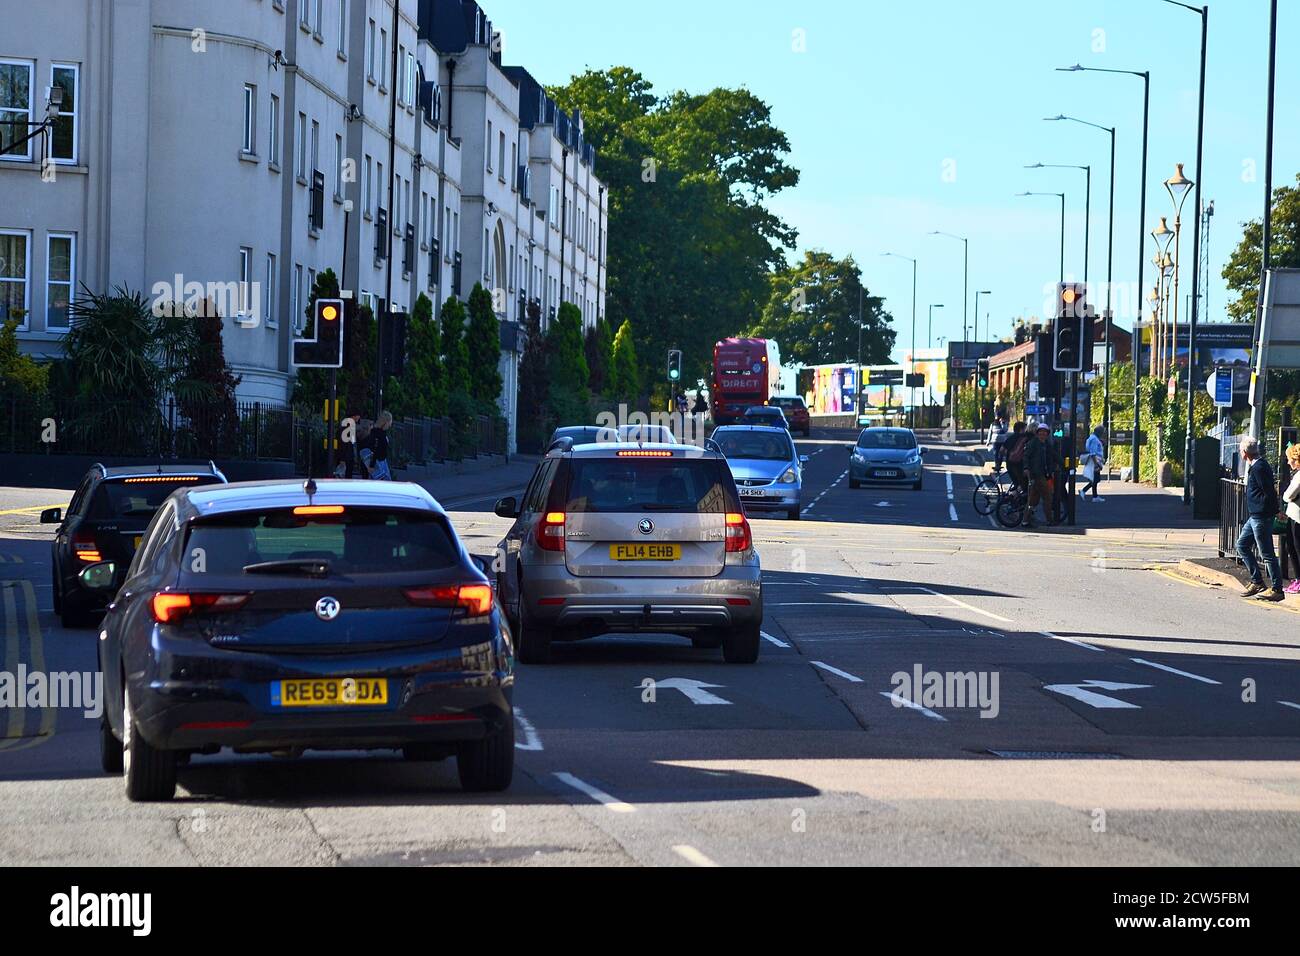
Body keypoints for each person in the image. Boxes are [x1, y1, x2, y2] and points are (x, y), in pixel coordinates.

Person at [1236, 437, 1285, 602]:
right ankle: (1257, 581)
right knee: (1241, 545)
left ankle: (1277, 589)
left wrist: (1276, 510)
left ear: (1245, 453)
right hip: (1255, 516)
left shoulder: (1259, 467)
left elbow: (1269, 491)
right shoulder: (1256, 465)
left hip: (1261, 516)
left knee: (1267, 554)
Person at [1022, 423, 1053, 528]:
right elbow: (1026, 456)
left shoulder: (1046, 444)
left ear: (1047, 434)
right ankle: (1050, 520)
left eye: (1045, 432)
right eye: (1040, 432)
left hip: (1042, 474)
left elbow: (1052, 456)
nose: (1042, 434)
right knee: (1047, 497)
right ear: (1037, 433)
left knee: (1033, 500)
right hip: (1036, 474)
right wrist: (1026, 468)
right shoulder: (1033, 443)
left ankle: (1025, 520)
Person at [1282, 444, 1300, 594]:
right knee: (1292, 548)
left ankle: (1299, 581)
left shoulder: (1299, 476)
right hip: (1294, 516)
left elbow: (1288, 495)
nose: (1288, 462)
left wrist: (1286, 496)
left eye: (1290, 459)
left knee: (1295, 548)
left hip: (1297, 517)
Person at [1080, 425, 1106, 502]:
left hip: (1094, 460)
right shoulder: (1094, 440)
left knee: (1095, 478)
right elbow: (1093, 452)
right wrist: (1096, 463)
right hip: (1095, 460)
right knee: (1096, 479)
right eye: (1102, 432)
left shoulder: (1091, 438)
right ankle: (1085, 491)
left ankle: (1094, 496)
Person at [368, 410, 393, 480]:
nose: (390, 425)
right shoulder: (377, 433)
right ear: (386, 422)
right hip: (378, 461)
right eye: (390, 422)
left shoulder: (381, 432)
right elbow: (374, 449)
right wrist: (372, 465)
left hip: (382, 460)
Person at [1005, 421, 1029, 489]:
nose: (1025, 430)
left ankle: (1013, 495)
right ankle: (1012, 496)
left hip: (1009, 464)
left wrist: (1009, 454)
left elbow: (1002, 450)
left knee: (1016, 483)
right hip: (1018, 465)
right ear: (1021, 429)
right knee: (1022, 484)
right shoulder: (1024, 438)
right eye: (1024, 428)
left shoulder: (1010, 438)